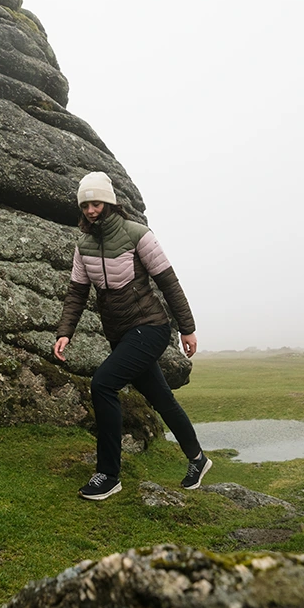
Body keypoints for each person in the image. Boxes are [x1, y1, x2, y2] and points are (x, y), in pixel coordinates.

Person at [54, 171, 212, 500]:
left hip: (150, 327)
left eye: (96, 203)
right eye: (85, 205)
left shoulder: (137, 234)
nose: (90, 211)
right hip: (122, 335)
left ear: (109, 203)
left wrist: (187, 328)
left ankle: (109, 475)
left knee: (102, 384)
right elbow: (76, 294)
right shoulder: (82, 245)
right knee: (161, 398)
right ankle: (198, 459)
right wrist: (65, 332)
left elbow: (169, 283)